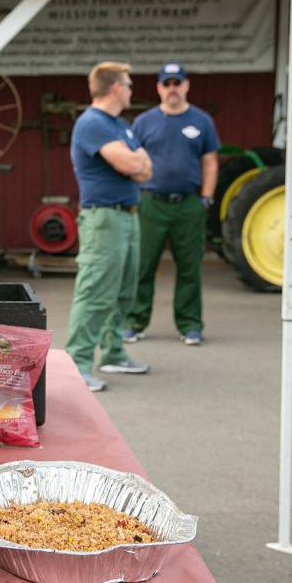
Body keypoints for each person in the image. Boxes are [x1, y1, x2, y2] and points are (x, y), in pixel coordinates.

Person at [66, 61, 152, 393]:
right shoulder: (93, 123)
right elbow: (134, 163)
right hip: (104, 218)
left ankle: (113, 352)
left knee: (124, 290)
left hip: (127, 215)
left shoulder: (119, 126)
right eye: (128, 84)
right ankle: (78, 362)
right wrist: (136, 161)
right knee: (96, 291)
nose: (131, 90)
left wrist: (137, 163)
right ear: (115, 87)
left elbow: (147, 171)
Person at [124, 63, 220, 346]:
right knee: (142, 265)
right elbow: (131, 162)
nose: (172, 89)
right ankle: (134, 322)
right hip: (150, 202)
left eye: (177, 83)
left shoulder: (201, 121)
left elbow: (210, 162)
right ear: (159, 88)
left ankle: (190, 325)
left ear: (186, 86)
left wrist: (206, 197)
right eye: (166, 84)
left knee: (189, 266)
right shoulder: (144, 122)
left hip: (189, 203)